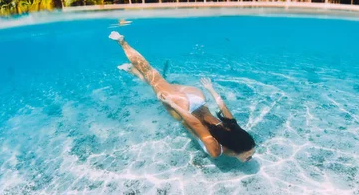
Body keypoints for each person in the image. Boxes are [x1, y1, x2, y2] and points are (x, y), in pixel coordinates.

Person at [109, 31, 255, 162]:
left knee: (156, 81)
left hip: (197, 97)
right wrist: (174, 105)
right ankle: (122, 42)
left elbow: (222, 105)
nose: (250, 157)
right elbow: (196, 124)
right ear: (235, 150)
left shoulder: (233, 127)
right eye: (249, 156)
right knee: (150, 74)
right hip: (184, 108)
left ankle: (131, 70)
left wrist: (210, 89)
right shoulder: (216, 150)